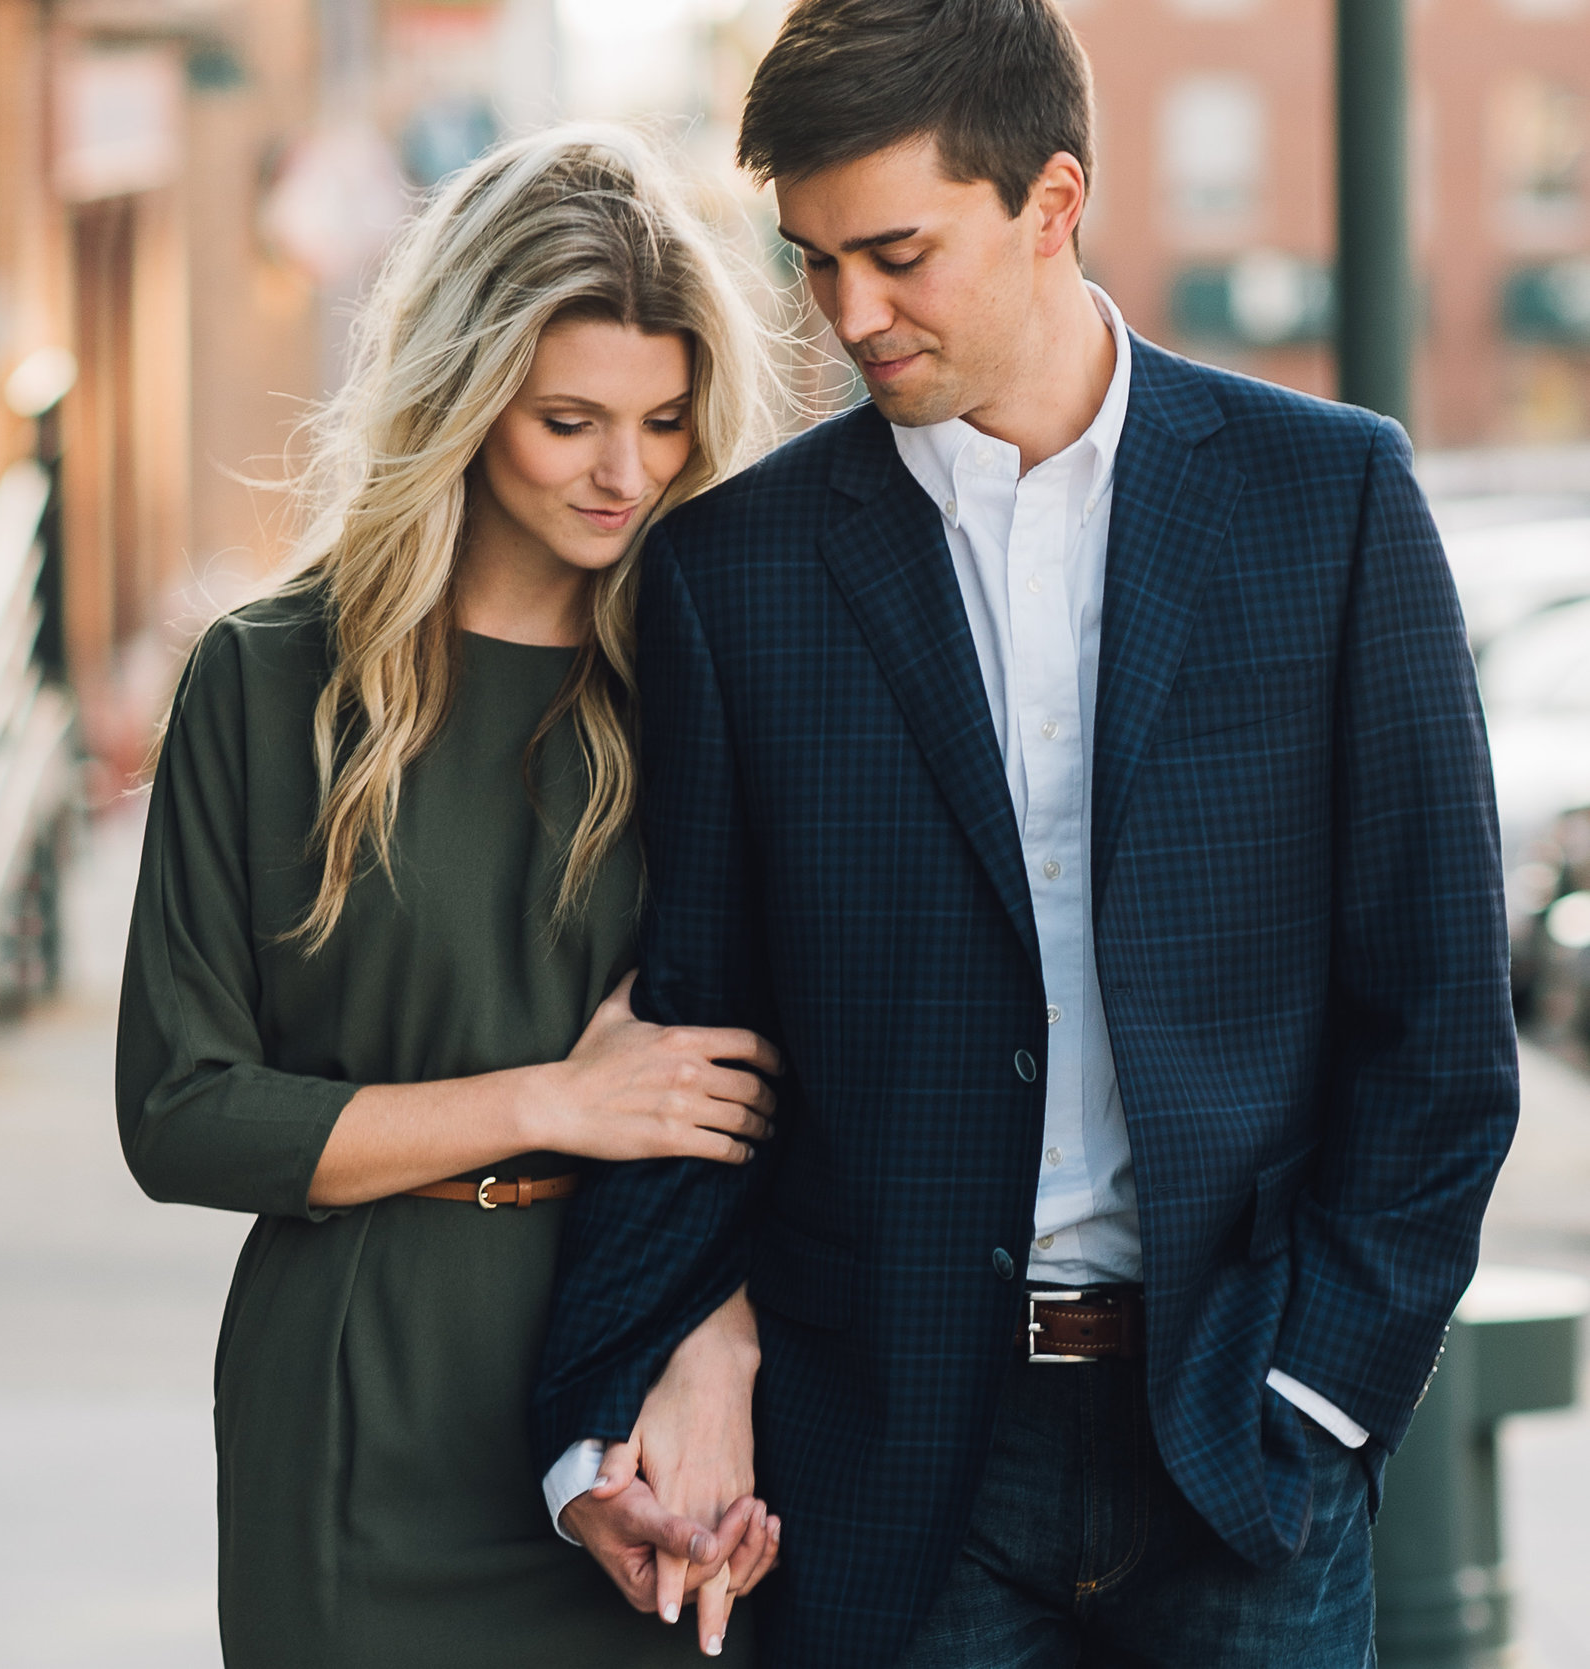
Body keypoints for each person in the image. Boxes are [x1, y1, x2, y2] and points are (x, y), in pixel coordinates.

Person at [536, 1, 1519, 1664]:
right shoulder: (737, 575)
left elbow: (1438, 1028)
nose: (851, 313)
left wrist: (1323, 1394)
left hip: (1241, 1450)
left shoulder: (1329, 503)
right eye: (815, 261)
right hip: (893, 1471)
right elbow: (699, 1039)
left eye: (898, 253)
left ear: (1053, 202)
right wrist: (606, 1421)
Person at [116, 126, 791, 1668]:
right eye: (569, 421)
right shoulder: (267, 679)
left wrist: (718, 1342)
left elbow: (796, 1084)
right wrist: (555, 1098)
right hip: (357, 1395)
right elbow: (184, 1111)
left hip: (646, 1384)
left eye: (667, 422)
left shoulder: (715, 689)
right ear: (468, 398)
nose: (627, 472)